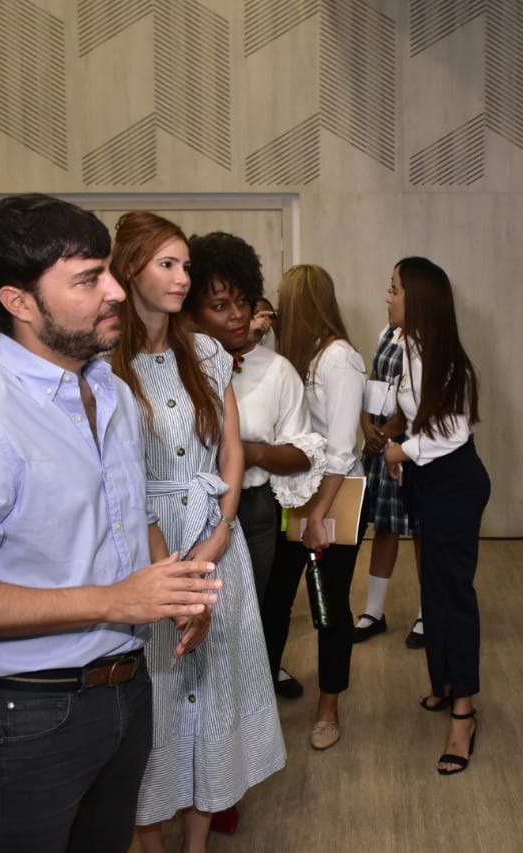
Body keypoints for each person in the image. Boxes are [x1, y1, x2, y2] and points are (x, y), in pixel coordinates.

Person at [0, 194, 222, 852]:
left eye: (109, 270)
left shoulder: (111, 393)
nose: (114, 291)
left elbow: (131, 516)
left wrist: (173, 587)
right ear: (19, 302)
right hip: (30, 713)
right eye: (87, 279)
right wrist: (114, 599)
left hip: (126, 691)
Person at [110, 214, 285, 853]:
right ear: (129, 269)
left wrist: (221, 530)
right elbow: (118, 474)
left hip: (215, 532)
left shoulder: (206, 351)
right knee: (153, 697)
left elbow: (232, 451)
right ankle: (148, 840)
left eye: (186, 265)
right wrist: (170, 561)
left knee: (214, 693)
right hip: (143, 544)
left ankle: (198, 842)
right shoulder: (107, 361)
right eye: (168, 265)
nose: (182, 278)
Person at [186, 231, 325, 702]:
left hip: (256, 511)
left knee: (252, 617)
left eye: (243, 301)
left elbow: (305, 452)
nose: (239, 314)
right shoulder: (174, 371)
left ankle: (249, 712)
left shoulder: (277, 370)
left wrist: (253, 452)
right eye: (221, 305)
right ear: (191, 312)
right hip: (189, 515)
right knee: (197, 619)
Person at [381, 257, 490, 775]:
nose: (388, 296)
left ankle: (464, 713)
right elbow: (423, 421)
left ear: (417, 298)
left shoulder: (442, 358)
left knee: (453, 596)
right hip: (432, 482)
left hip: (456, 485)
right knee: (434, 592)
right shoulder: (410, 347)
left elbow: (452, 433)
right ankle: (444, 684)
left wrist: (402, 453)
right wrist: (407, 452)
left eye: (395, 288)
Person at [264, 263, 368, 751]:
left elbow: (344, 450)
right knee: (275, 598)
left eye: (284, 300)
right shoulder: (291, 356)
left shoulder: (339, 359)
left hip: (334, 496)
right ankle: (260, 697)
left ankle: (329, 706)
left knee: (328, 606)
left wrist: (319, 517)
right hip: (293, 492)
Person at [353, 320, 424, 648]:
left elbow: (417, 408)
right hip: (382, 438)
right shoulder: (388, 332)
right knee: (384, 526)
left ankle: (429, 613)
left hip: (411, 442)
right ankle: (374, 612)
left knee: (423, 530)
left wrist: (383, 435)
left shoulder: (425, 341)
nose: (388, 296)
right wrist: (367, 426)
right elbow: (375, 381)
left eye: (395, 290)